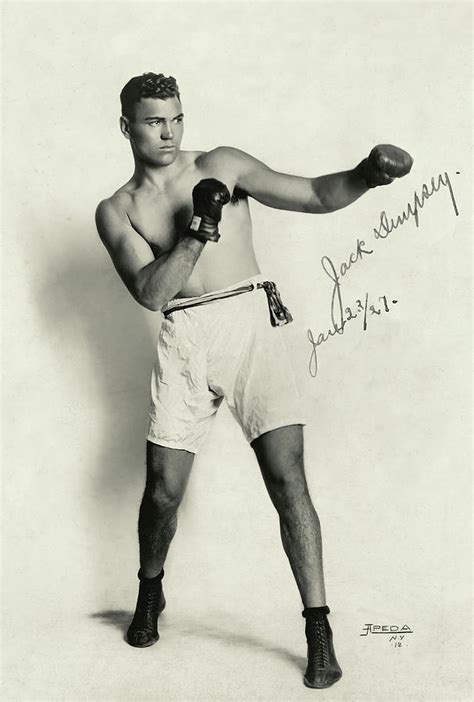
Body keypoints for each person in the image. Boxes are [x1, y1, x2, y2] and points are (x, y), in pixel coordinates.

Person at [95, 72, 413, 689]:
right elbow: (153, 293)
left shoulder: (223, 163)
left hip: (252, 321)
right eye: (154, 120)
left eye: (176, 118)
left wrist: (367, 174)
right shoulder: (118, 211)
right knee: (162, 489)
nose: (169, 131)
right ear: (127, 126)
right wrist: (198, 228)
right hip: (186, 335)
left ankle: (319, 631)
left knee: (286, 475)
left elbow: (317, 194)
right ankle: (151, 592)